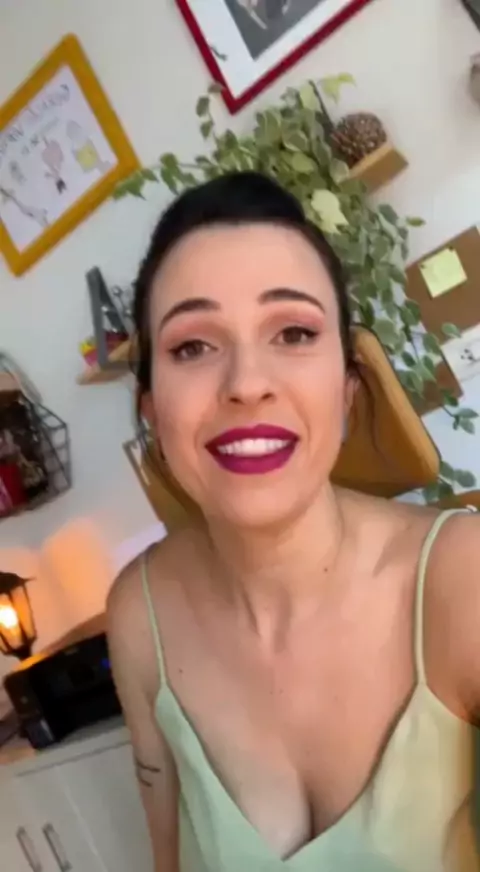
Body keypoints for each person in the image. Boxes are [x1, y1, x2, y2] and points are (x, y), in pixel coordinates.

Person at [107, 172, 480, 872]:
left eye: (294, 332)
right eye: (192, 346)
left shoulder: (463, 580)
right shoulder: (138, 613)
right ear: (152, 411)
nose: (247, 383)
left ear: (347, 388)